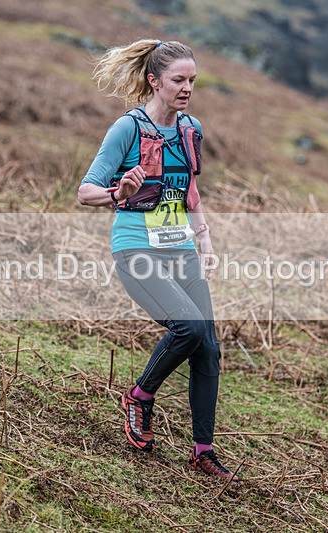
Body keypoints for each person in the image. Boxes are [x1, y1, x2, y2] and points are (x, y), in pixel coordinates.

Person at [78, 39, 238, 481]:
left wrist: (205, 241)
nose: (187, 88)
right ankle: (139, 396)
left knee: (208, 345)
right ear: (155, 81)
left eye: (192, 80)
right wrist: (118, 193)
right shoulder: (127, 129)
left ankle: (203, 452)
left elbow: (188, 191)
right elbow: (85, 190)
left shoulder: (190, 128)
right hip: (137, 248)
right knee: (187, 326)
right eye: (178, 80)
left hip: (181, 248)